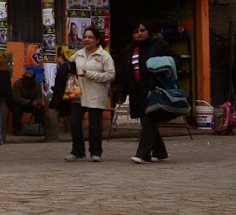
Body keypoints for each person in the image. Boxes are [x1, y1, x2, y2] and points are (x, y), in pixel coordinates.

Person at [121, 20, 173, 163]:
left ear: (148, 31)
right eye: (136, 31)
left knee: (149, 119)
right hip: (137, 91)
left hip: (154, 89)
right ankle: (160, 151)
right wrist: (122, 93)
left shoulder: (158, 45)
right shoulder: (129, 49)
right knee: (146, 120)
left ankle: (143, 153)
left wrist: (159, 66)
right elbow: (126, 73)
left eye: (142, 30)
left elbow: (174, 59)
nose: (140, 33)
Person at [66, 25, 115, 162]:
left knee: (94, 124)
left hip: (96, 93)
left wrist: (90, 74)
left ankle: (95, 152)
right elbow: (69, 65)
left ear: (97, 40)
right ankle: (77, 150)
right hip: (78, 93)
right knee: (75, 122)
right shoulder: (78, 54)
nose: (87, 39)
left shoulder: (104, 56)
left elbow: (111, 75)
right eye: (85, 37)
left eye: (90, 37)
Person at [10, 68, 47, 134]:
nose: (26, 80)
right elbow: (16, 97)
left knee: (40, 109)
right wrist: (28, 102)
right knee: (16, 109)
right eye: (25, 78)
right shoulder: (18, 84)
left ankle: (39, 128)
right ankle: (17, 129)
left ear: (33, 79)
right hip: (21, 104)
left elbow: (39, 97)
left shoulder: (37, 85)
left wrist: (37, 102)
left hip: (32, 104)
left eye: (29, 79)